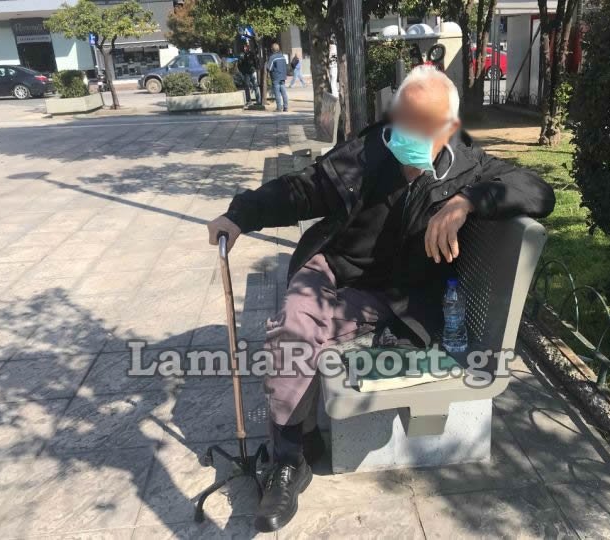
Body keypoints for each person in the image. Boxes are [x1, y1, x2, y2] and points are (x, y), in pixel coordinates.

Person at [206, 66, 555, 532]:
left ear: (448, 128)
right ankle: (288, 459)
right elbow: (303, 188)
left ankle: (299, 441)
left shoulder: (467, 168)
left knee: (303, 336)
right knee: (294, 326)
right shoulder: (367, 152)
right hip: (334, 268)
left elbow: (539, 191)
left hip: (394, 296)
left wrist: (465, 202)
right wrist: (240, 215)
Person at [266, 43, 289, 112]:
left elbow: (269, 68)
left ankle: (279, 108)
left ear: (272, 49)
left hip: (276, 77)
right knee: (284, 93)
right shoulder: (282, 56)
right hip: (282, 77)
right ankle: (286, 107)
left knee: (277, 93)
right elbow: (285, 66)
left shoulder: (272, 57)